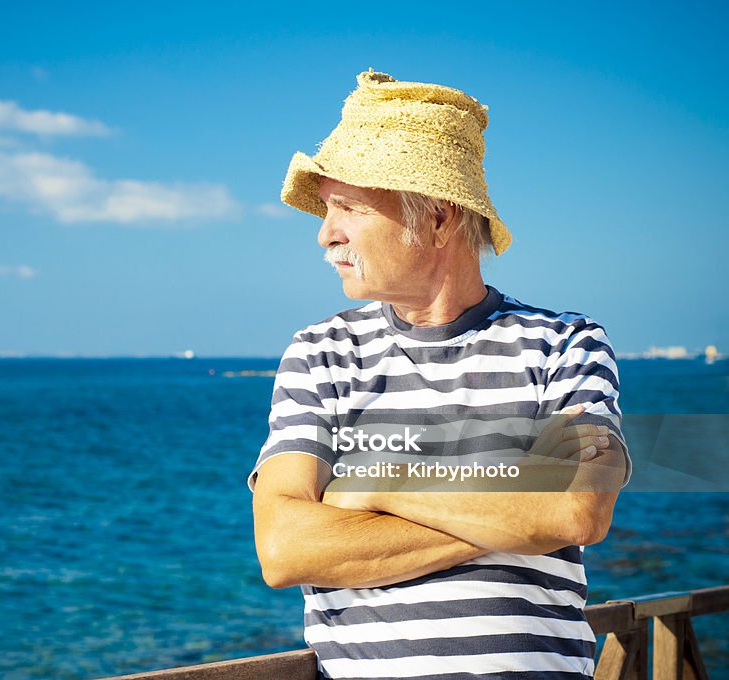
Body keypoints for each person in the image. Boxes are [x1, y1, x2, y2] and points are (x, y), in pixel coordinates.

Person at [249, 70, 632, 680]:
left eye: (347, 206)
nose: (326, 234)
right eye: (326, 209)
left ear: (437, 219)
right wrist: (517, 508)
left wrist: (376, 485)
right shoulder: (321, 351)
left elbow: (578, 510)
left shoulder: (566, 342)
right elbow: (284, 548)